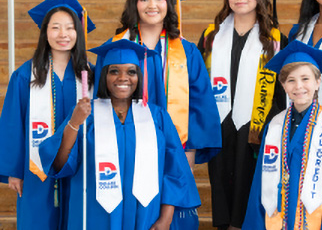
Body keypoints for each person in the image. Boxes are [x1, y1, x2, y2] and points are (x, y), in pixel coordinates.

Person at [93, 0, 222, 229]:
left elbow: (200, 103)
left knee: (170, 210)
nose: (152, 5)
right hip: (126, 144)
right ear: (134, 5)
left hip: (175, 144)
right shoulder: (116, 50)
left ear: (169, 4)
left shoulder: (186, 51)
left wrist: (192, 148)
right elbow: (102, 97)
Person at [39, 39, 201, 230]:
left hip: (146, 217)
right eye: (114, 71)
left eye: (131, 72)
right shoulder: (86, 114)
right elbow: (59, 164)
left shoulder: (157, 116)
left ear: (139, 76)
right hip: (95, 216)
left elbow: (174, 171)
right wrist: (74, 123)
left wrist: (165, 219)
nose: (123, 78)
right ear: (103, 75)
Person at [197, 0, 288, 230]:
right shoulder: (211, 35)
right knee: (220, 180)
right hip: (220, 119)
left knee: (249, 181)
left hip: (256, 122)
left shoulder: (275, 39)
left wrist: (271, 122)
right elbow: (200, 80)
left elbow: (281, 90)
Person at [0, 0, 95, 229]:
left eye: (70, 27)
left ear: (79, 32)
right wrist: (13, 171)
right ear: (45, 33)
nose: (63, 34)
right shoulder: (25, 75)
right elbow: (13, 124)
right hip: (36, 173)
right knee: (38, 220)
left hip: (81, 169)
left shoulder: (91, 75)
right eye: (55, 27)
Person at [242, 40, 322, 230]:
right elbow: (259, 186)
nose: (299, 86)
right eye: (291, 80)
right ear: (283, 85)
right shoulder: (274, 126)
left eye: (305, 79)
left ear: (318, 82)